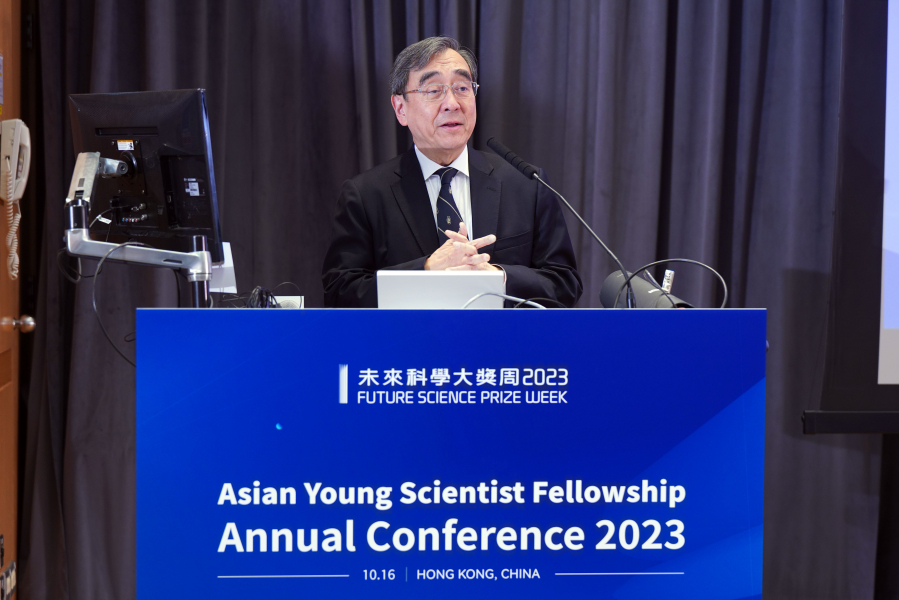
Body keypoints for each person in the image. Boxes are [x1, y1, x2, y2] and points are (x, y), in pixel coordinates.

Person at [322, 36, 582, 307]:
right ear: (400, 108)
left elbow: (565, 283)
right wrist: (426, 270)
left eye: (462, 88)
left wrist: (498, 277)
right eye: (434, 90)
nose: (452, 103)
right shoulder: (365, 196)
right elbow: (339, 292)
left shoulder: (527, 185)